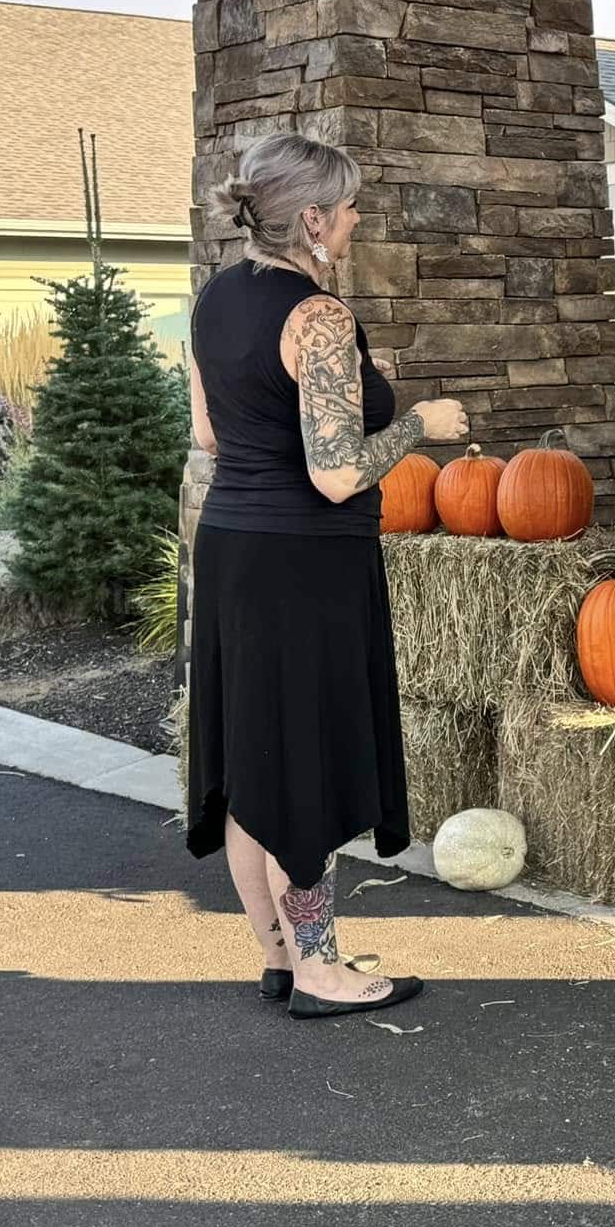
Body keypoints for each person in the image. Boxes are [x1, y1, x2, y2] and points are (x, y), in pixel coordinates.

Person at [186, 133, 468, 1021]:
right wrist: (419, 421)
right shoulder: (319, 317)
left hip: (232, 547)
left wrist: (348, 390)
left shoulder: (213, 300)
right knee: (301, 764)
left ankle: (279, 959)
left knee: (252, 763)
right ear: (311, 218)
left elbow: (211, 436)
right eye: (346, 208)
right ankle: (320, 969)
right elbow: (339, 473)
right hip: (304, 564)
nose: (353, 222)